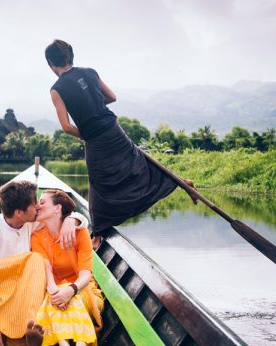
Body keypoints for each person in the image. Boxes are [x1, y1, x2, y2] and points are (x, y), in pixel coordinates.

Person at [45, 39, 197, 248]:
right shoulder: (90, 72)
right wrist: (95, 105)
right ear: (71, 56)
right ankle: (182, 183)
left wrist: (87, 133)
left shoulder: (56, 89)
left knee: (98, 183)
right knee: (140, 165)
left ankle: (97, 234)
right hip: (114, 129)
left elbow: (67, 126)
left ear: (51, 65)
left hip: (95, 139)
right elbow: (112, 97)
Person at [0, 180, 87, 346]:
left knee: (35, 260)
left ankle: (25, 334)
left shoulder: (32, 222)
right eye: (35, 204)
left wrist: (72, 219)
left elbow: (70, 218)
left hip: (19, 292)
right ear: (19, 213)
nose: (39, 207)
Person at [31, 189, 104, 346]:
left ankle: (81, 345)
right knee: (51, 299)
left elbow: (86, 275)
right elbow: (46, 268)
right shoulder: (37, 236)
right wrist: (54, 290)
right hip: (53, 290)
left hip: (83, 289)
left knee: (73, 300)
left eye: (42, 202)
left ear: (57, 208)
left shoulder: (80, 233)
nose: (38, 205)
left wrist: (70, 290)